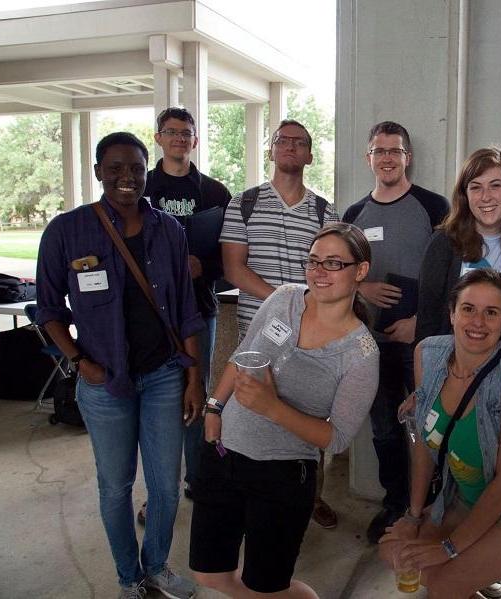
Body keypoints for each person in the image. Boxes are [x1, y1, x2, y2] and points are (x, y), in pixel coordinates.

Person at [36, 132, 203, 599]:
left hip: (165, 376)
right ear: (98, 172)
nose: (127, 177)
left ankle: (157, 567)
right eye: (115, 167)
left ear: (147, 171)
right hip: (104, 380)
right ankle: (128, 578)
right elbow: (47, 309)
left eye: (136, 168)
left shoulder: (168, 230)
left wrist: (194, 378)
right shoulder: (67, 231)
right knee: (115, 486)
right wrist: (77, 362)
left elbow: (187, 309)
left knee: (166, 486)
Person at [189, 223, 379, 599]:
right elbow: (243, 351)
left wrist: (272, 408)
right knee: (208, 573)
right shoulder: (285, 298)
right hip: (224, 452)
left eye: (333, 263)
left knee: (266, 585)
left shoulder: (362, 355)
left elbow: (337, 438)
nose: (318, 271)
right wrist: (214, 408)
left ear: (360, 271)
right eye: (312, 261)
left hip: (282, 475)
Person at [378, 268, 501, 599]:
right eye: (468, 309)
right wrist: (413, 515)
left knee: (443, 584)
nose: (478, 322)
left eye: (491, 312)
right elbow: (426, 445)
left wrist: (450, 548)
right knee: (393, 550)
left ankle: (473, 571)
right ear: (452, 312)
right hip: (469, 496)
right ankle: (476, 574)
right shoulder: (427, 353)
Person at [220, 118, 341, 528]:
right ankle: (256, 496)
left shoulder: (326, 211)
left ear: (309, 154)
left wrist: (304, 311)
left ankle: (312, 495)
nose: (290, 147)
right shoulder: (245, 202)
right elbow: (234, 270)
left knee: (309, 415)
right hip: (258, 334)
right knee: (256, 410)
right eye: (282, 141)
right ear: (271, 150)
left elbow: (332, 271)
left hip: (312, 336)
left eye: (300, 142)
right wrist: (284, 302)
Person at [342, 120, 449, 543]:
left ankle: (437, 509)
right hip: (370, 347)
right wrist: (360, 285)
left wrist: (421, 324)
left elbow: (452, 273)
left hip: (424, 344)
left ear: (408, 157)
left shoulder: (434, 206)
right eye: (379, 151)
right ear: (368, 158)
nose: (387, 158)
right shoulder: (353, 215)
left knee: (434, 426)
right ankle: (395, 506)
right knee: (385, 431)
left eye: (395, 151)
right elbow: (338, 270)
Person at [137, 106, 232, 524]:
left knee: (198, 391)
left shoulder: (214, 193)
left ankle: (199, 477)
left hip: (198, 308)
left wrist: (203, 267)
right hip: (148, 315)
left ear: (195, 140)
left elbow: (228, 258)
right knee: (156, 396)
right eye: (171, 132)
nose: (179, 138)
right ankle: (160, 490)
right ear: (158, 138)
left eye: (187, 133)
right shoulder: (141, 187)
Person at [416, 147, 501, 386]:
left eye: (495, 185)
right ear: (464, 195)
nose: (485, 196)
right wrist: (428, 382)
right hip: (463, 374)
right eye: (476, 187)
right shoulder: (445, 243)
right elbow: (429, 318)